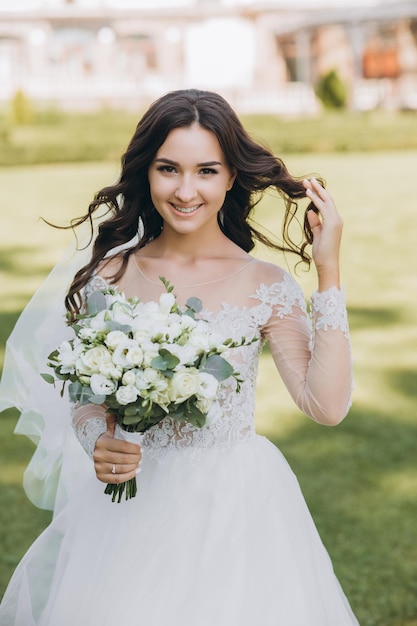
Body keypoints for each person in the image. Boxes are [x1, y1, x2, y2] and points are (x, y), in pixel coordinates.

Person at [0, 88, 359, 625]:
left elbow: (326, 405)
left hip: (236, 508)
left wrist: (327, 270)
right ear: (146, 172)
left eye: (206, 171)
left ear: (232, 176)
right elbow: (85, 398)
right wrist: (97, 438)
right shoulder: (109, 278)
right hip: (127, 515)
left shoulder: (266, 284)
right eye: (169, 169)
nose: (186, 190)